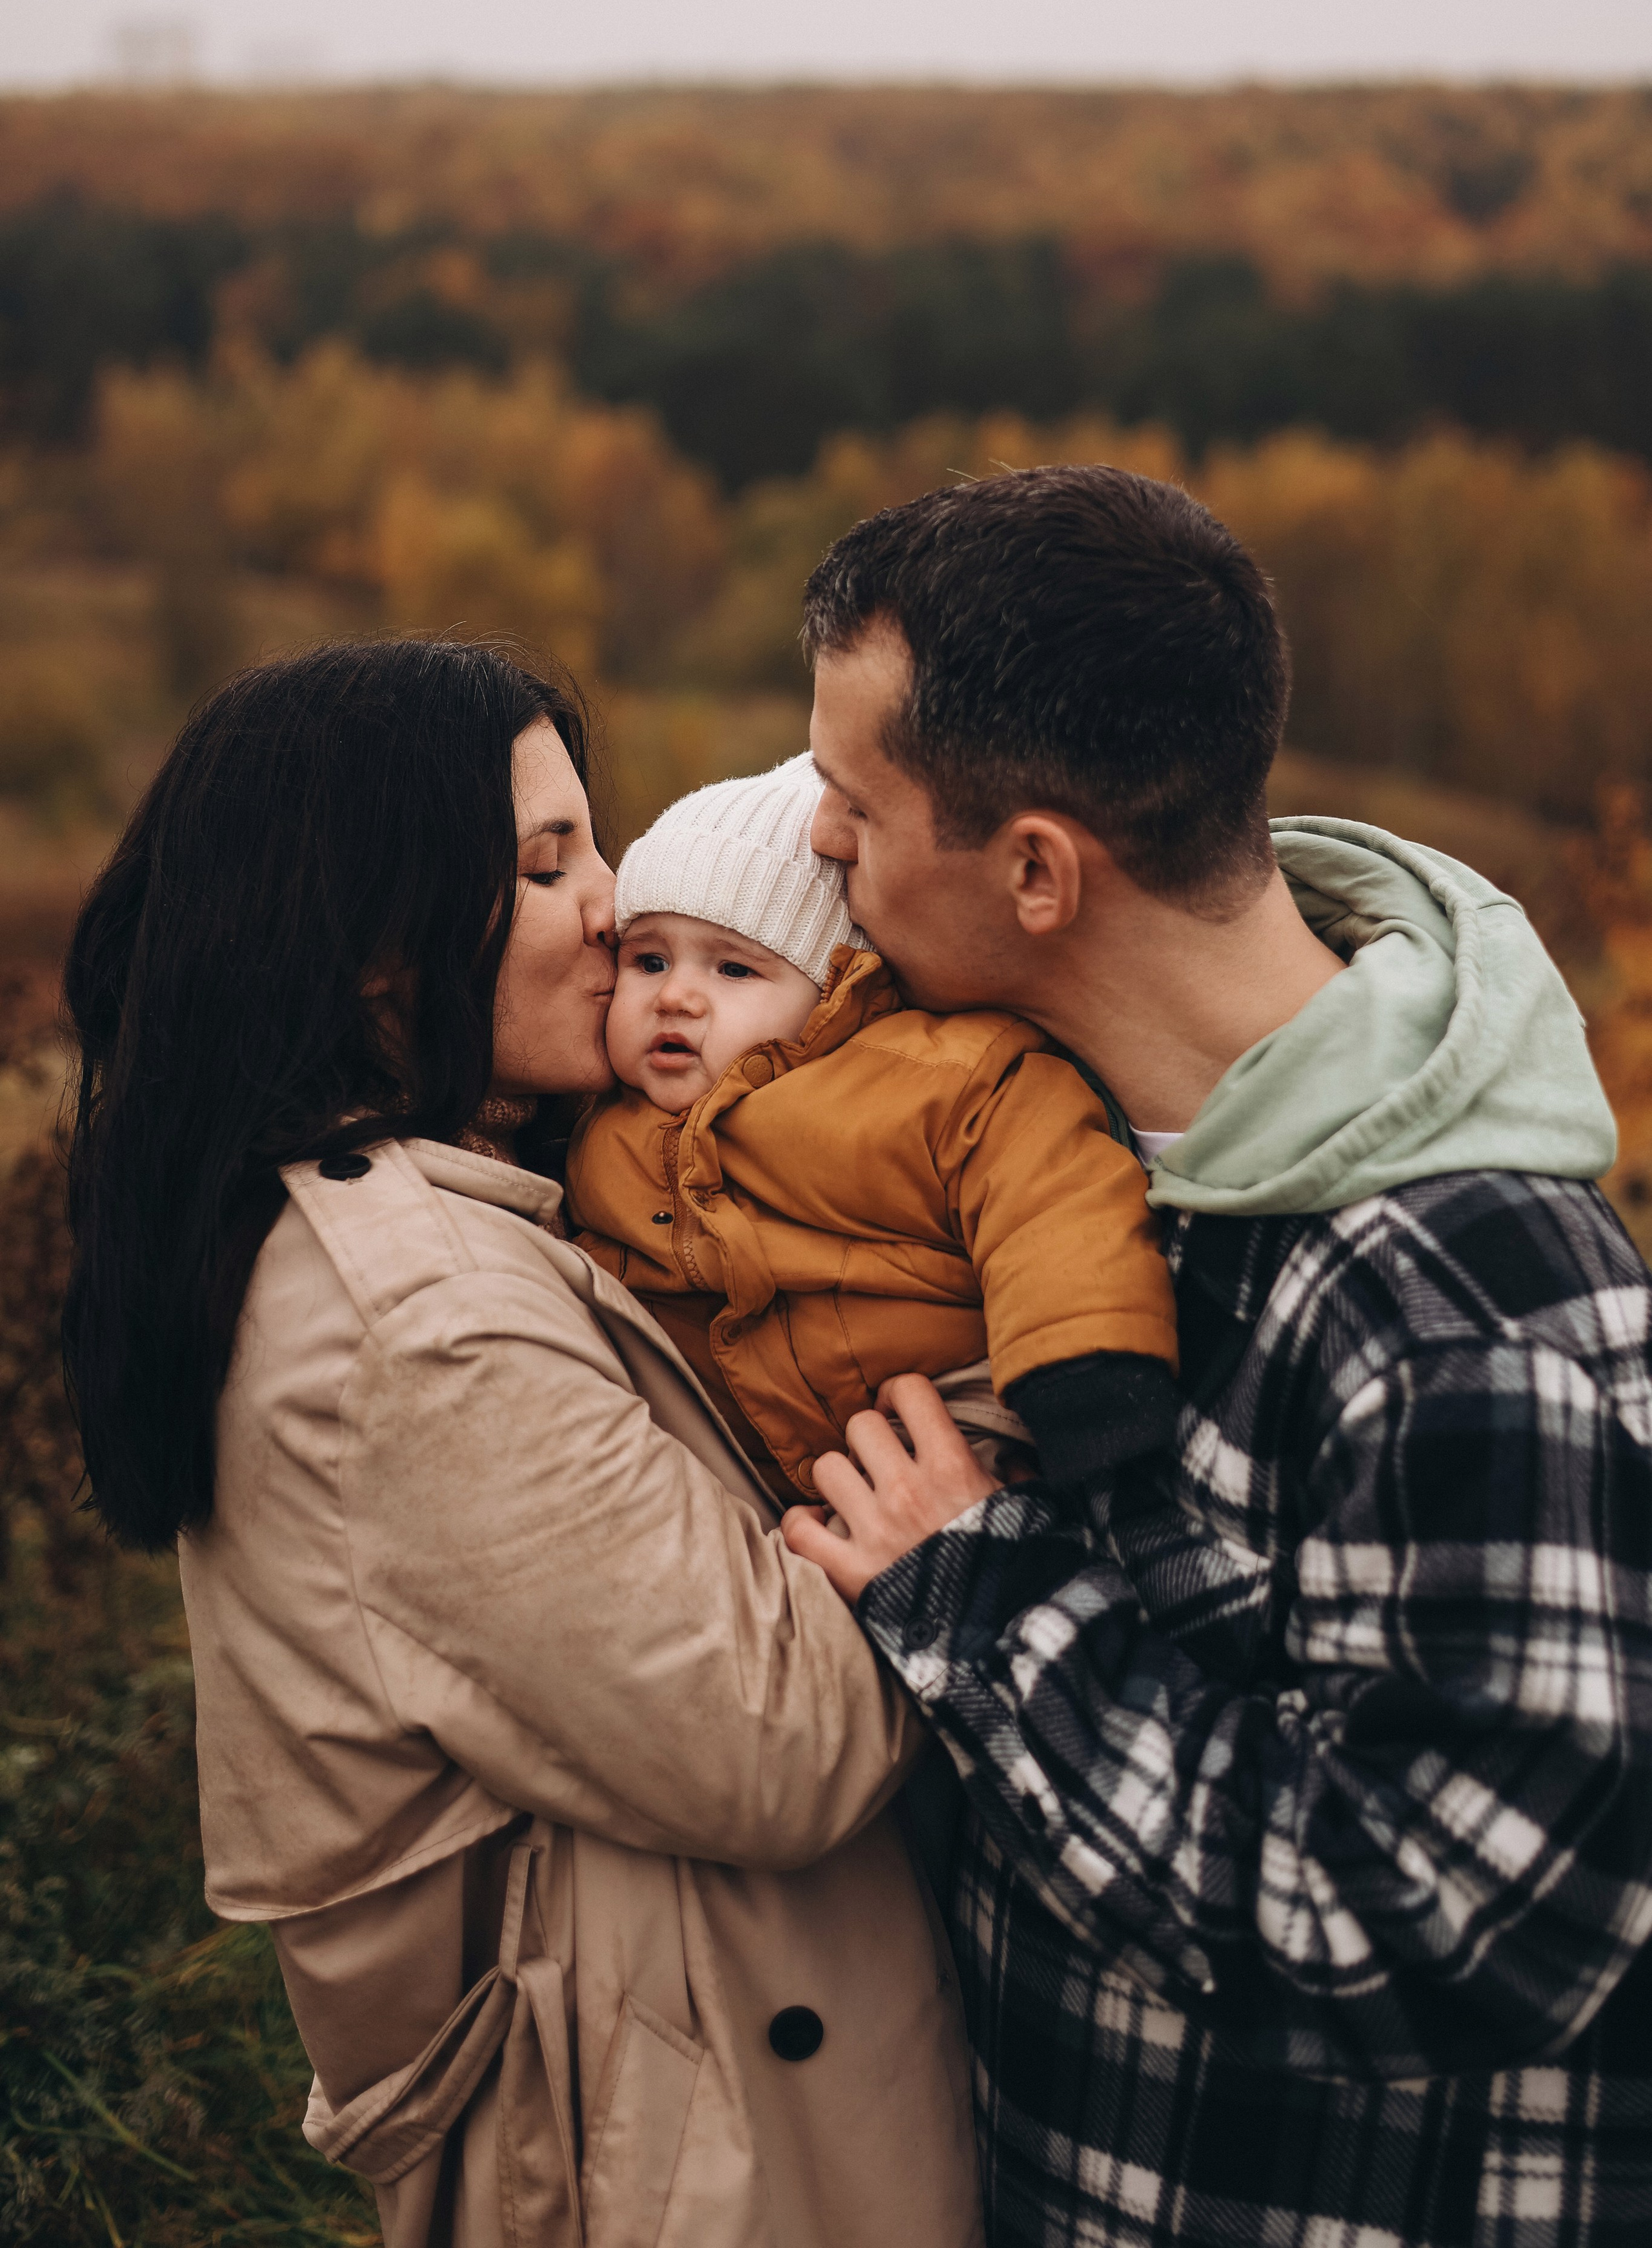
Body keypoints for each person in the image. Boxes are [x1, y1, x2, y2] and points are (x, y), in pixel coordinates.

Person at [780, 466, 1652, 2248]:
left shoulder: (1466, 1303)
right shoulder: (1062, 1156)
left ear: (1036, 871)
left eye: (855, 803)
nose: (817, 843)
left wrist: (982, 1603)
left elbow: (1469, 1922)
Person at [61, 638, 983, 2248]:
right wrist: (959, 1478)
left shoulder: (430, 1226)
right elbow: (776, 1735)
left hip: (687, 2105)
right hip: (680, 2168)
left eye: (590, 845)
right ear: (375, 950)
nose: (611, 906)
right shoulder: (421, 1326)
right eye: (548, 863)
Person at [565, 749, 1178, 1501]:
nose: (675, 997)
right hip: (743, 1468)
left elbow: (1054, 1201)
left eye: (733, 970)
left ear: (834, 989)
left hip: (950, 1415)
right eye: (649, 962)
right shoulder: (600, 1130)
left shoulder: (933, 1078)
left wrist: (1083, 1370)